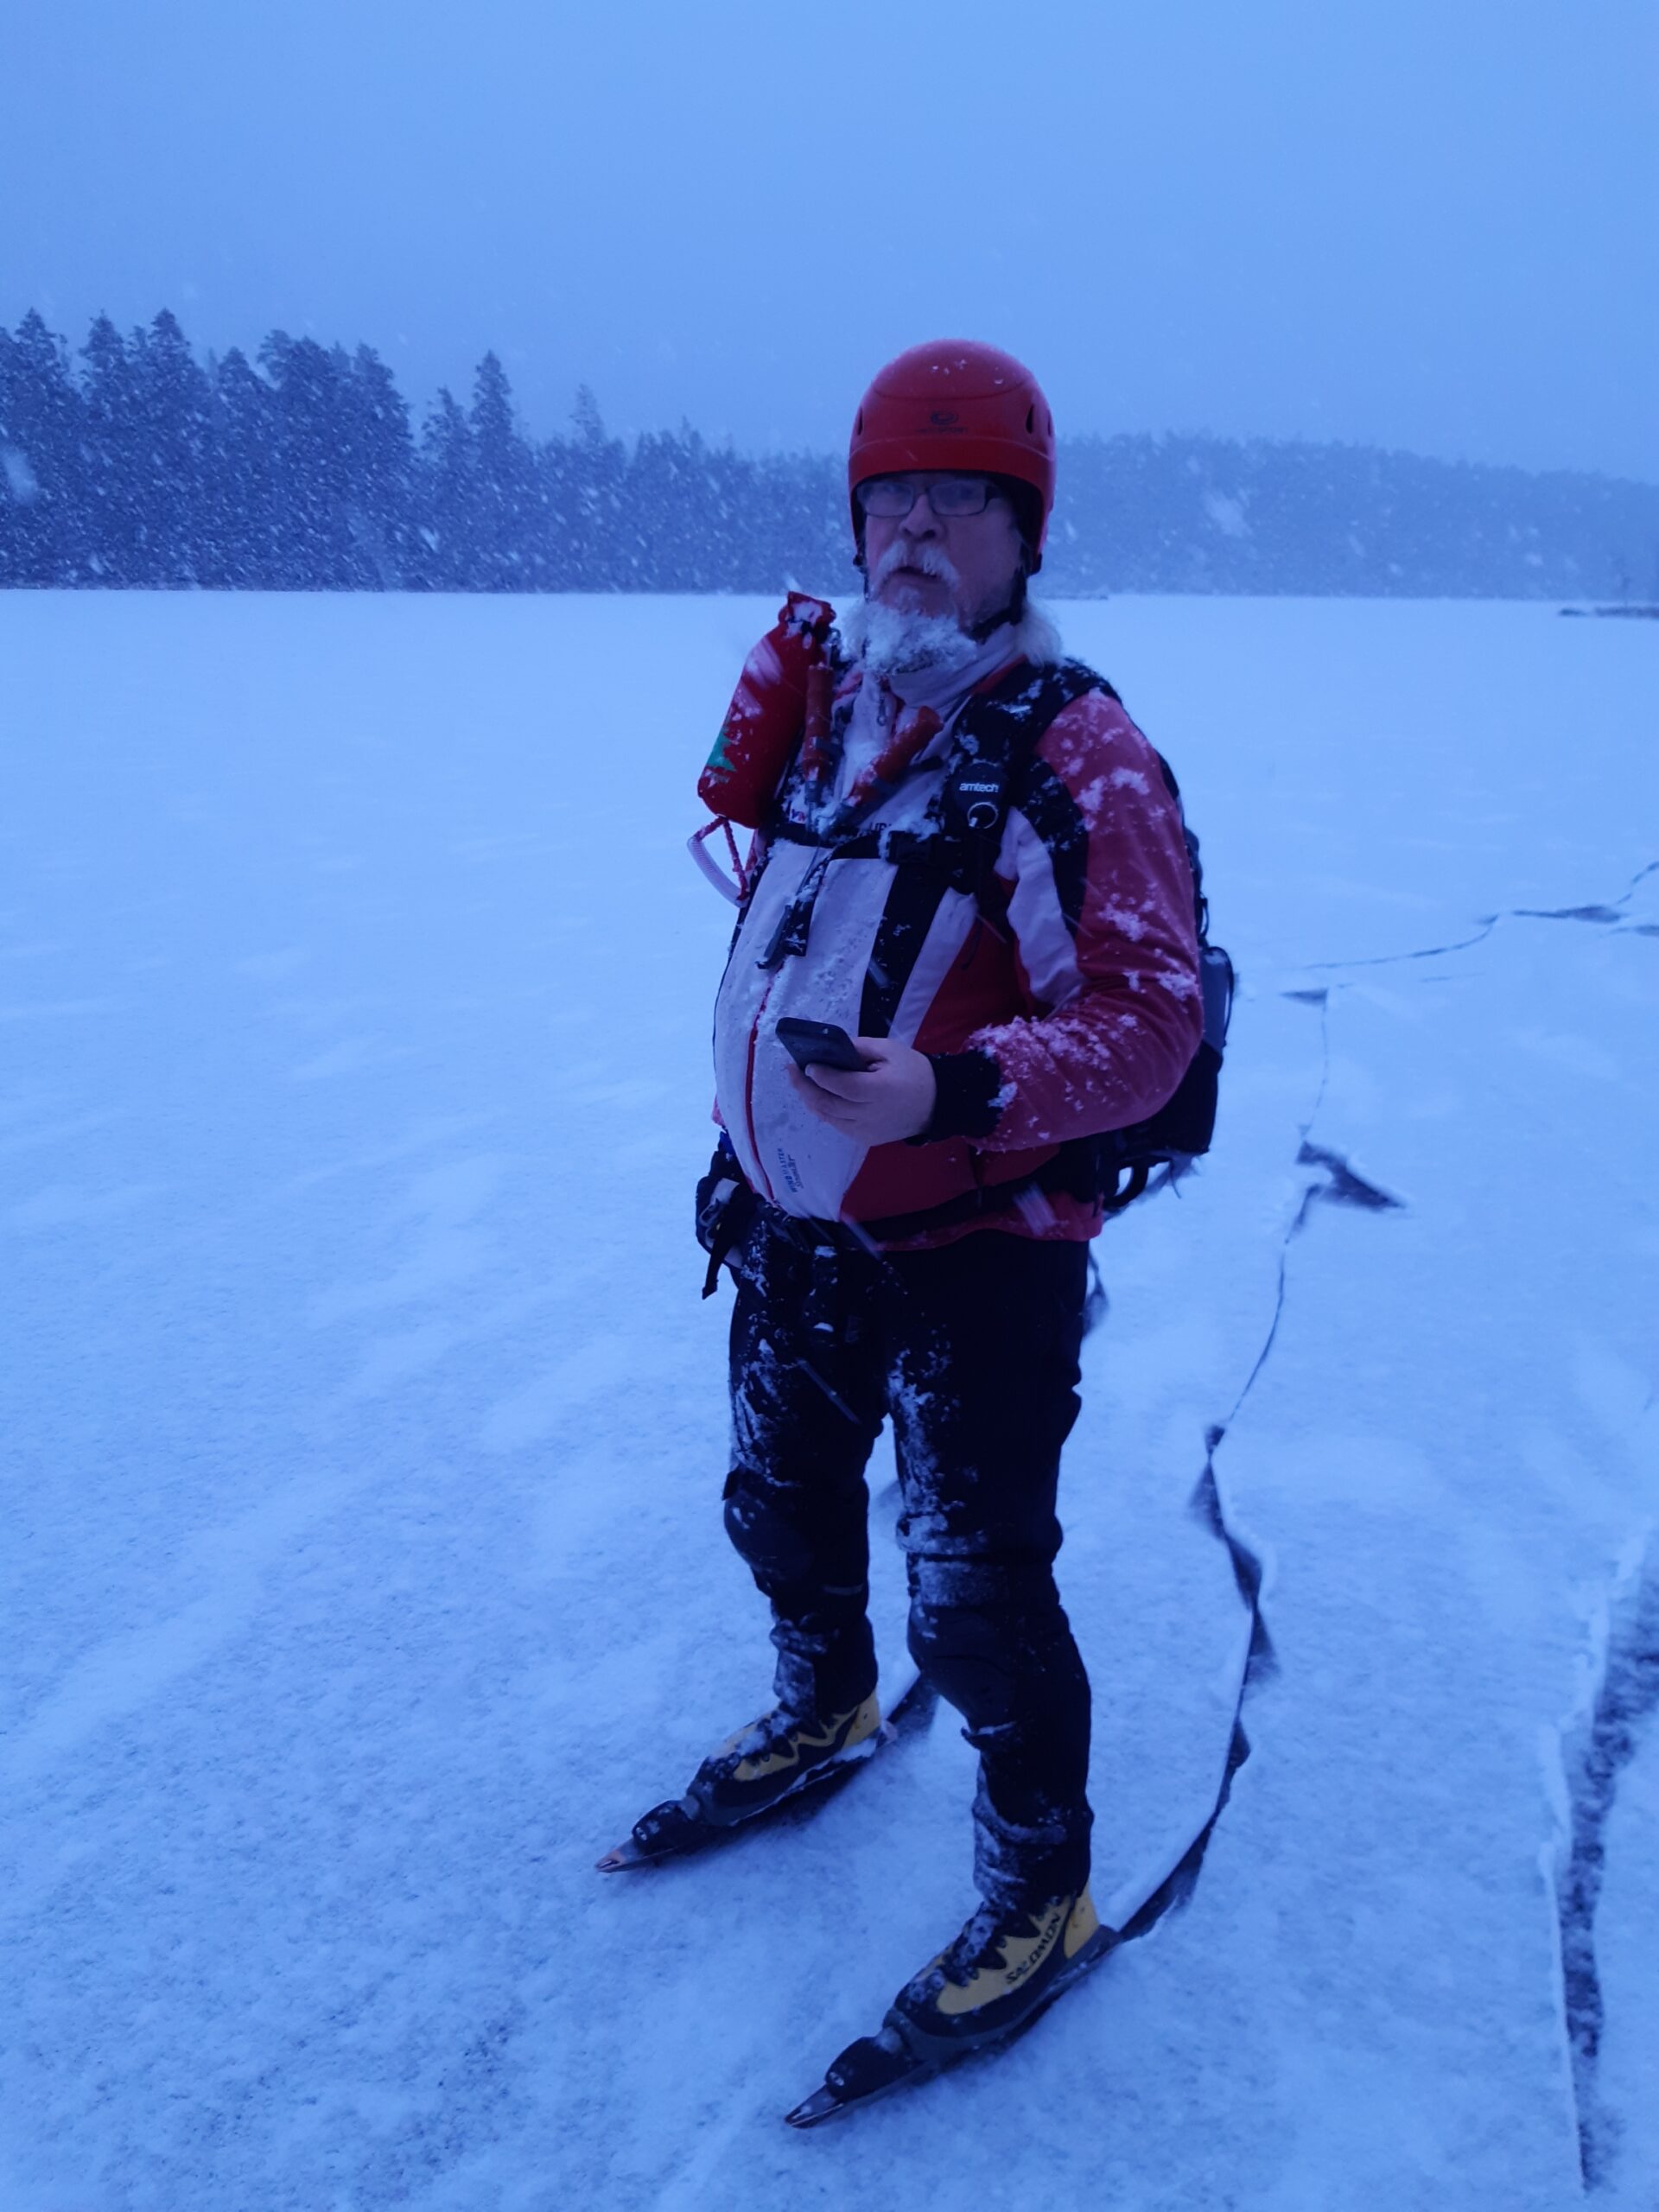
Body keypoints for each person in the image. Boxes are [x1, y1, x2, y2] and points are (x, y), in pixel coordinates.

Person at [606, 340, 1205, 2075]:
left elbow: (1151, 1019)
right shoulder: (836, 712)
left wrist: (947, 1091)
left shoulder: (1077, 748)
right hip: (796, 1228)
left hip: (979, 1251)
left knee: (976, 1594)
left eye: (959, 499)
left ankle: (1040, 1889)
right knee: (778, 1501)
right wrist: (754, 1142)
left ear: (1023, 530)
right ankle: (822, 1701)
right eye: (890, 498)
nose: (916, 532)